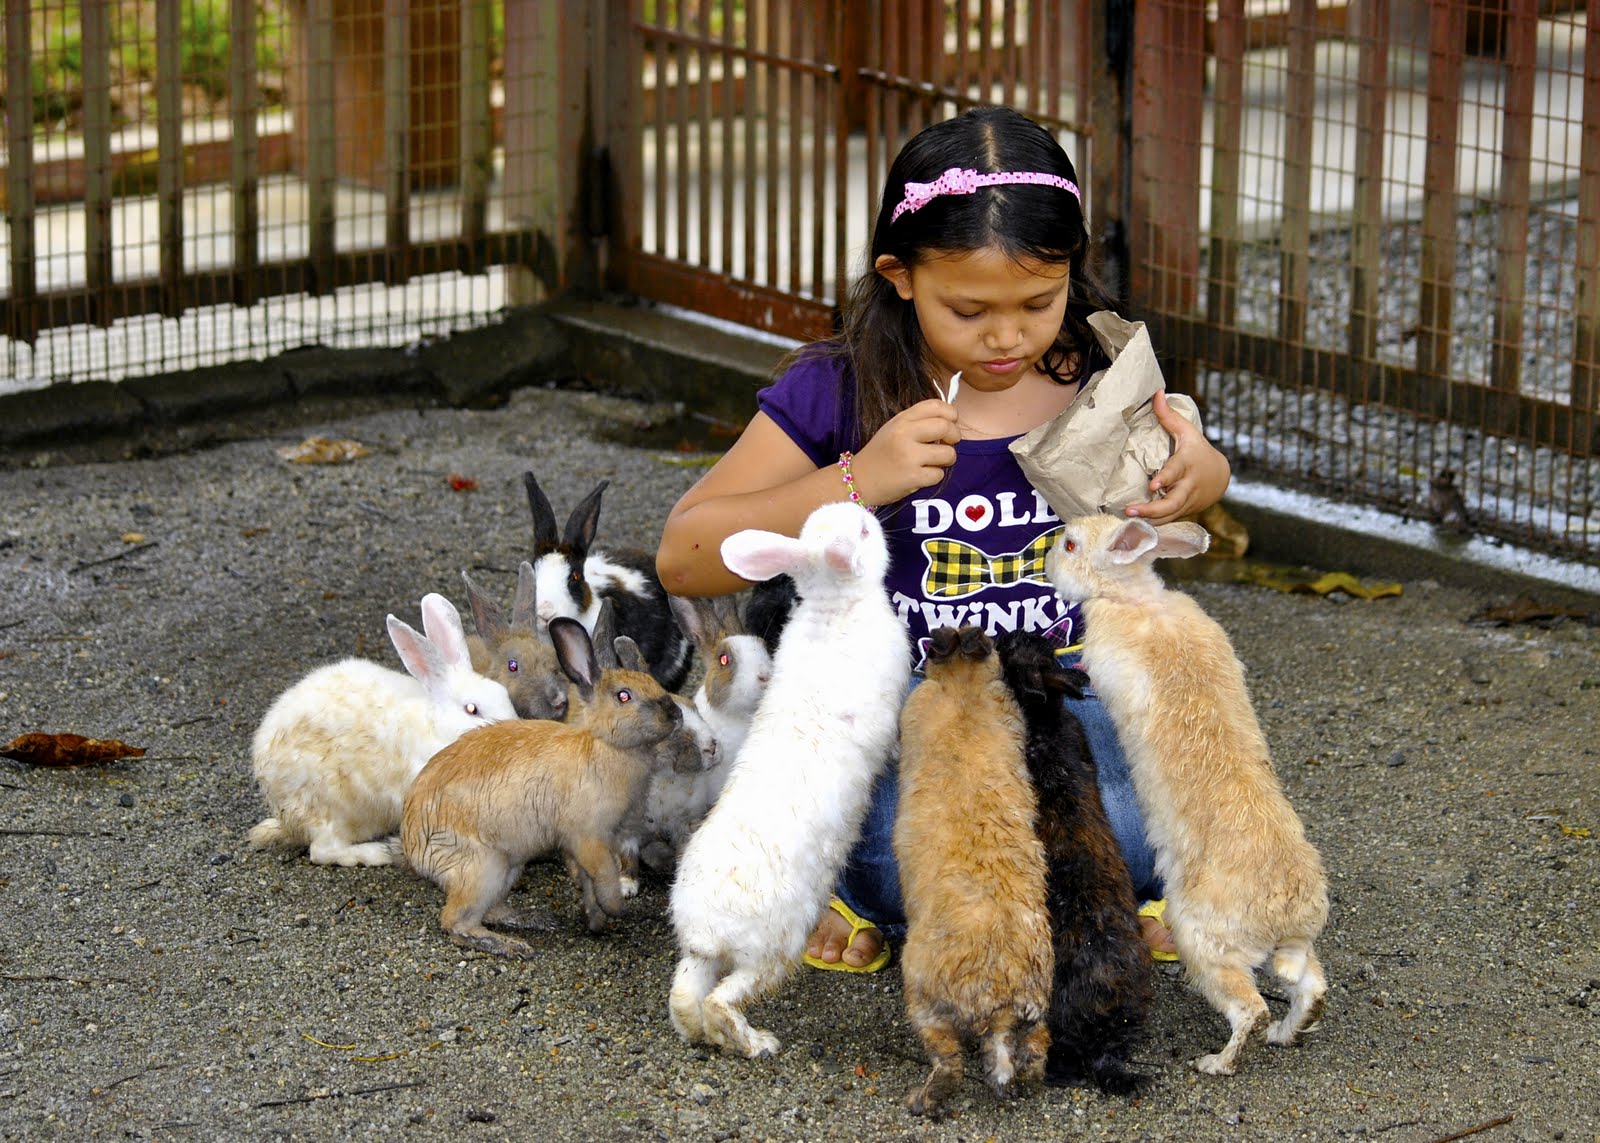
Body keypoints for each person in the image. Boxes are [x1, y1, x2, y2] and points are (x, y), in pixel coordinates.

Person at [655, 106, 1231, 970]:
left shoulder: (1099, 376)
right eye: (969, 309)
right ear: (900, 275)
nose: (1008, 337)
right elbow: (685, 552)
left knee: (1143, 842)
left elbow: (1190, 488)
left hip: (1066, 693)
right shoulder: (842, 389)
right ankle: (881, 890)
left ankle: (1065, 893)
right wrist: (860, 477)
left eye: (1040, 300)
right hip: (916, 704)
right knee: (896, 871)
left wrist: (1204, 474)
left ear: (1074, 272)